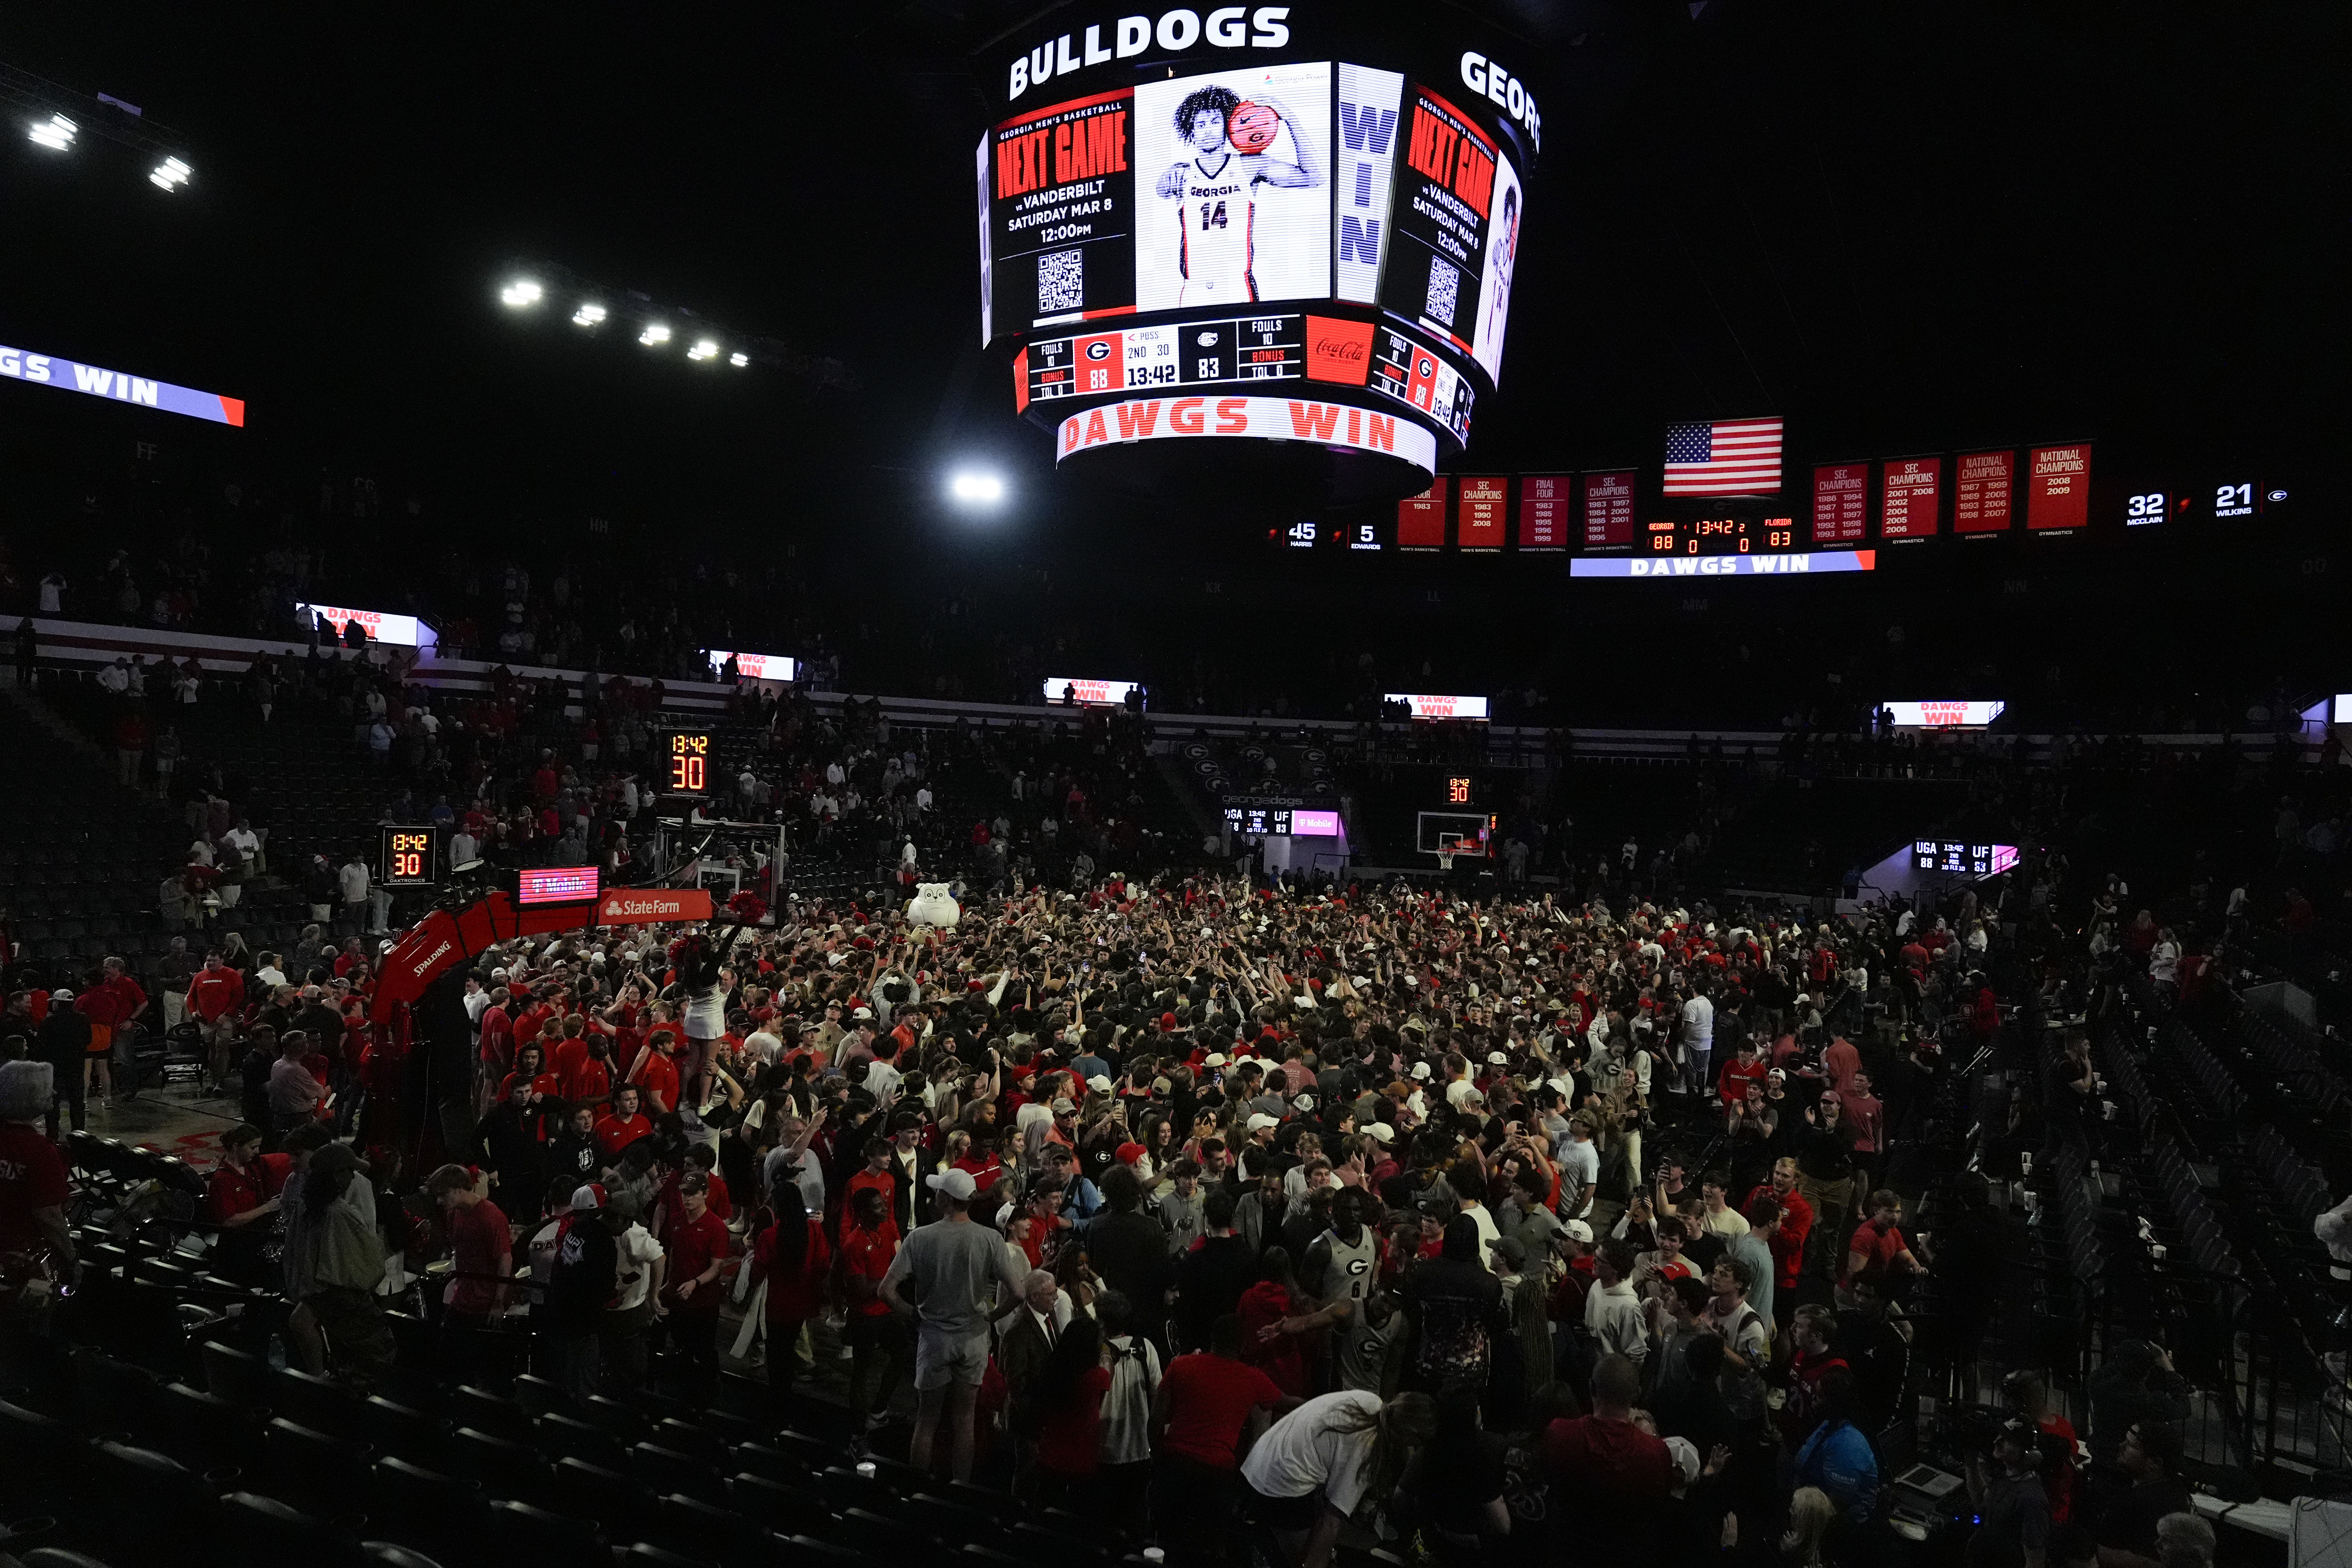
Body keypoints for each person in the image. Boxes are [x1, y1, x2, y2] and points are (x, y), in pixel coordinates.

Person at [880, 1167, 1031, 1482]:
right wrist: (990, 1317)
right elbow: (1018, 1293)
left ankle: (917, 1488)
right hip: (973, 1338)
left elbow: (886, 1290)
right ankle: (959, 1488)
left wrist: (912, 1313)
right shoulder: (990, 1238)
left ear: (946, 1199)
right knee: (965, 1421)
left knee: (927, 1420)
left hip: (934, 1337)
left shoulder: (921, 1237)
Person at [1152, 1313, 1294, 1566]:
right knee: (1210, 1546)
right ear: (1242, 1345)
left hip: (1174, 1465)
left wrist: (1158, 1457)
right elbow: (1287, 1404)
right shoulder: (1252, 1378)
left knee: (1166, 1541)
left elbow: (1156, 1418)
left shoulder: (1182, 1365)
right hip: (1217, 1474)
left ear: (1212, 1339)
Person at [1239, 1388, 1437, 1568]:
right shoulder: (1367, 1453)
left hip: (1259, 1458)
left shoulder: (1370, 1401)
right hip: (1280, 1485)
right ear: (1411, 1435)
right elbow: (1332, 1521)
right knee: (1304, 1558)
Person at [1541, 1352, 1673, 1558]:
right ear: (1636, 1394)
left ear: (1591, 1388)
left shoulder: (1559, 1434)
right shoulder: (1656, 1453)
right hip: (1628, 1555)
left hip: (1569, 1552)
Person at [837, 1183, 909, 1441]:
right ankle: (858, 1428)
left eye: (884, 1203)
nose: (885, 1208)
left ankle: (878, 1411)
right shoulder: (854, 1244)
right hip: (865, 1316)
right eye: (878, 1207)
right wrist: (891, 1279)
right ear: (863, 1213)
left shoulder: (888, 1228)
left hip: (887, 1310)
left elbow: (897, 1258)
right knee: (862, 1372)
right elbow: (860, 1288)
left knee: (901, 1354)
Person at [426, 1163, 512, 1332]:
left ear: (459, 1189)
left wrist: (498, 1303)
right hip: (462, 1299)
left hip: (484, 1304)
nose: (439, 1201)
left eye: (443, 1195)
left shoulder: (491, 1216)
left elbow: (505, 1260)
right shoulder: (453, 1214)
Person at [2092, 1423, 2190, 1568]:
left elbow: (2105, 1555)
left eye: (2131, 1446)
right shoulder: (2179, 1491)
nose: (2122, 1446)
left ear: (2155, 1463)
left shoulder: (2133, 1502)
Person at [1965, 1417, 2052, 1568]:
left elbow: (2035, 1562)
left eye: (2008, 1440)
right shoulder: (2006, 1478)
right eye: (2000, 1436)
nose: (1997, 1442)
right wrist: (1970, 1463)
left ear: (2029, 1453)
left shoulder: (2031, 1498)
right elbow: (1981, 1502)